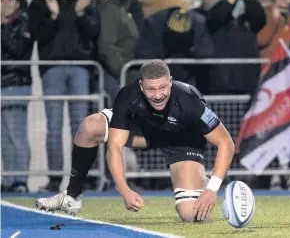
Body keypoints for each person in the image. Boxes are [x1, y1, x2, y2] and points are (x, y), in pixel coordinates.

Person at [36, 60, 235, 222]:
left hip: (181, 140)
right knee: (89, 127)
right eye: (151, 90)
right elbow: (114, 147)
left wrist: (211, 190)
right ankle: (72, 196)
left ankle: (204, 182)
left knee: (191, 214)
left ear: (171, 82)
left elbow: (226, 143)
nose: (158, 95)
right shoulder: (128, 96)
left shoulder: (189, 100)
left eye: (163, 88)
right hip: (144, 134)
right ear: (141, 86)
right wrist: (124, 190)